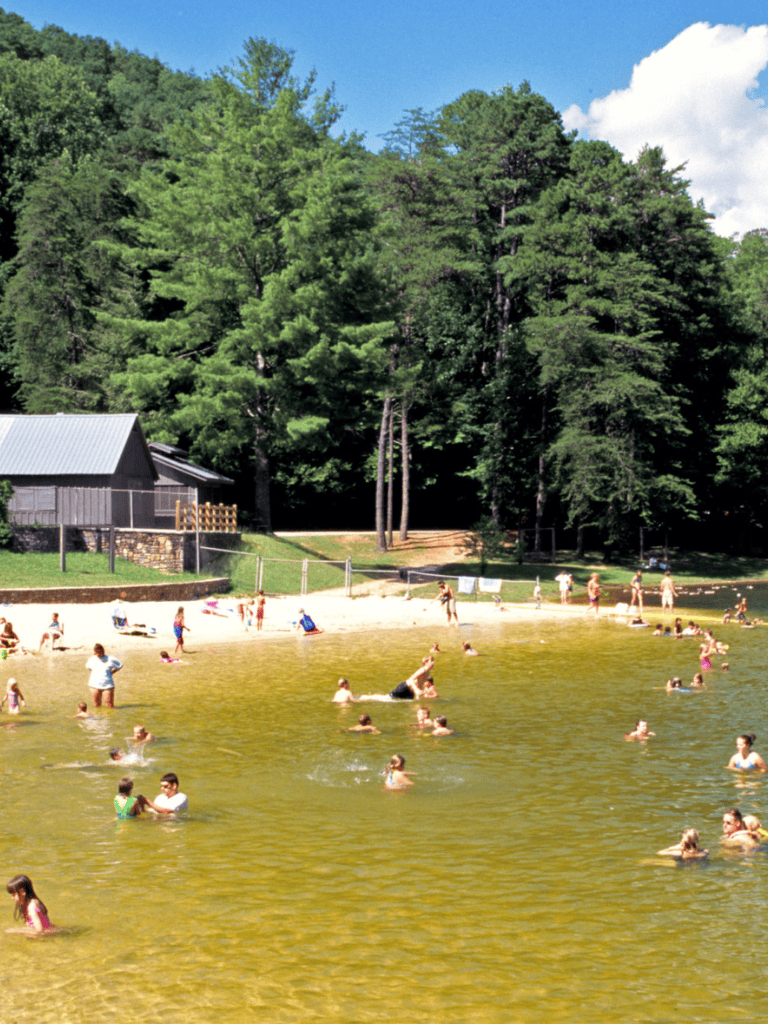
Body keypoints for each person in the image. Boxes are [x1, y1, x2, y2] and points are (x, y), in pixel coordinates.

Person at [85, 643, 122, 708]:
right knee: (96, 705)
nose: (99, 653)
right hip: (94, 685)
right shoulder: (91, 659)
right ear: (95, 652)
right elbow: (89, 668)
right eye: (97, 652)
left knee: (110, 706)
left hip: (108, 685)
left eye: (101, 651)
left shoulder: (111, 659)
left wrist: (111, 673)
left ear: (103, 650)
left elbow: (120, 666)